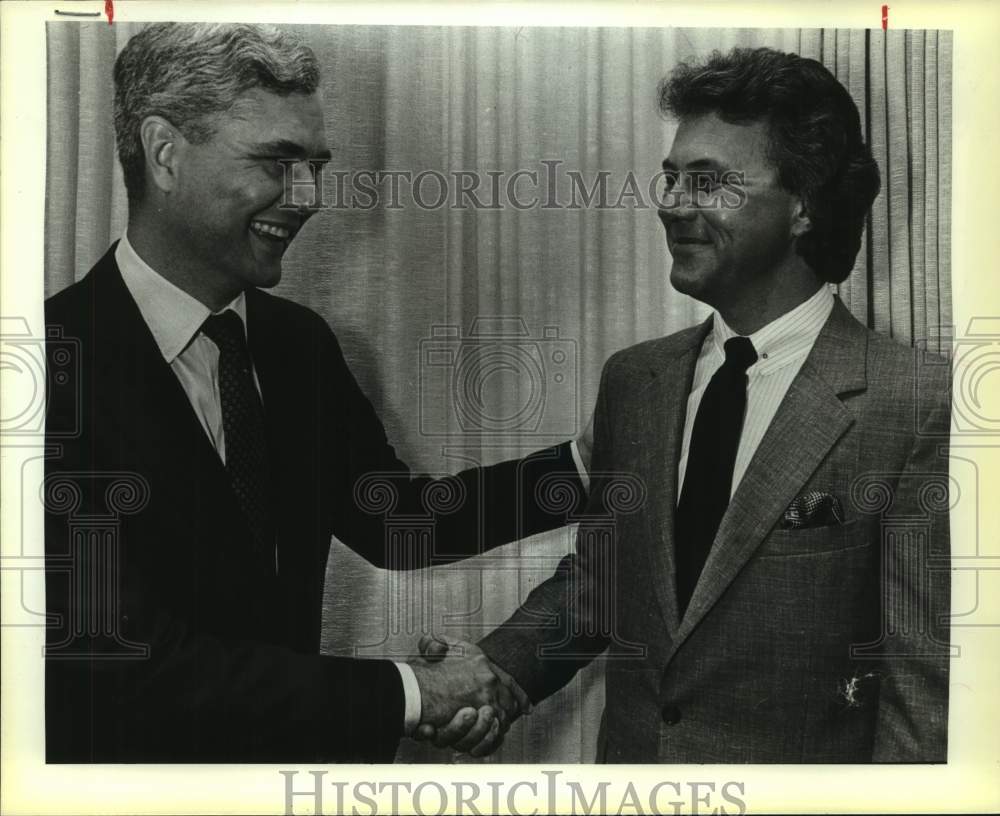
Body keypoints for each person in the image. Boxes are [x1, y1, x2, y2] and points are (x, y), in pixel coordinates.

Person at [43, 22, 591, 763]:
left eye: (315, 165)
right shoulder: (46, 365)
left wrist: (583, 467)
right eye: (277, 162)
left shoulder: (296, 342)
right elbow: (119, 658)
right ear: (164, 152)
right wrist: (413, 693)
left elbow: (395, 519)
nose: (307, 196)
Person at [430, 47, 952, 762]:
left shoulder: (916, 404)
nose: (671, 204)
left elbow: (924, 695)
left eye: (707, 182)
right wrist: (494, 678)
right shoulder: (634, 382)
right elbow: (605, 584)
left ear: (803, 203)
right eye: (671, 179)